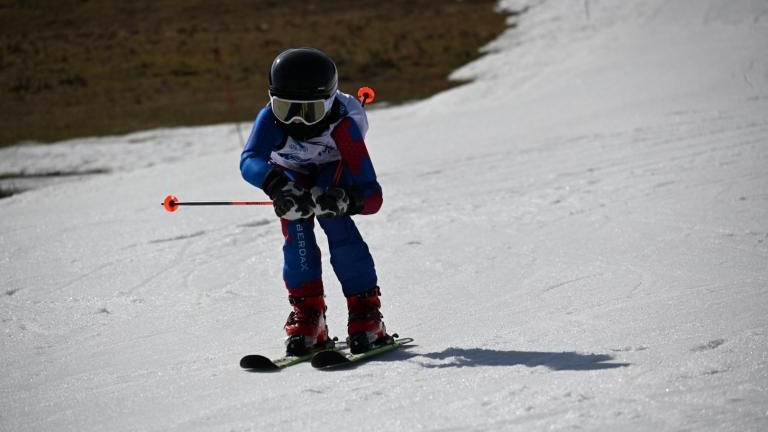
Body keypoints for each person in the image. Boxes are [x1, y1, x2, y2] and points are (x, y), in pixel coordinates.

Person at [240, 47, 389, 355]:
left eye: (309, 112)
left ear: (330, 103)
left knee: (335, 223)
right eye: (285, 108)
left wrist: (345, 200)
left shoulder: (343, 126)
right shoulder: (269, 119)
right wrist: (277, 185)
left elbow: (373, 196)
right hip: (289, 173)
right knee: (296, 228)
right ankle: (309, 313)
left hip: (329, 169)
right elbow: (249, 160)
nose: (296, 121)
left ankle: (365, 308)